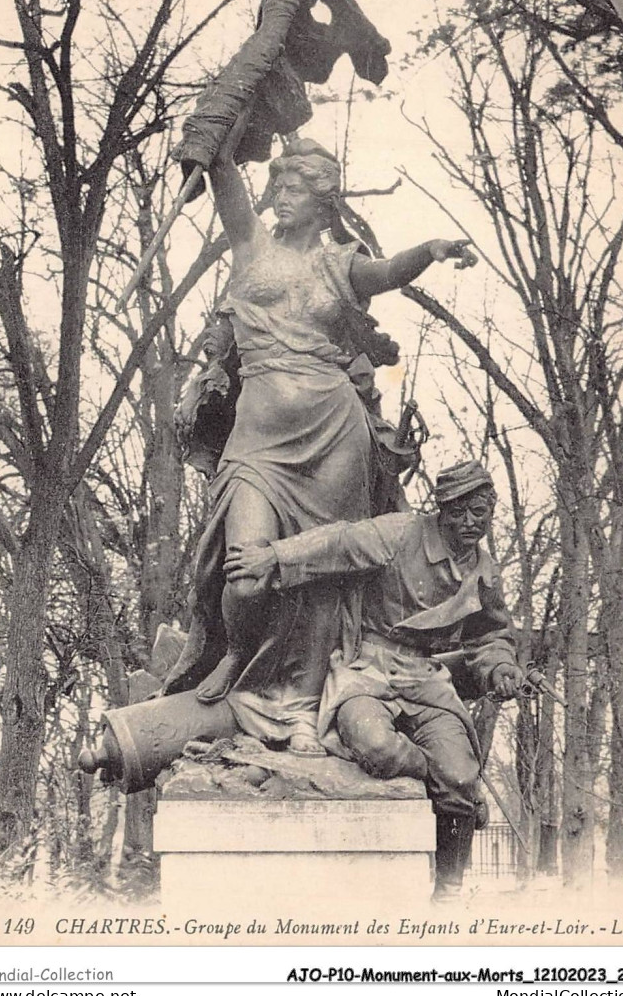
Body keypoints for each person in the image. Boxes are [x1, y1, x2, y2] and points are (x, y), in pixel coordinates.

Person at [164, 119, 477, 757]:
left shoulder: (342, 264)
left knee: (321, 582)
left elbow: (390, 271)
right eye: (276, 183)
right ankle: (243, 661)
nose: (280, 194)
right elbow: (223, 168)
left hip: (334, 434)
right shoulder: (250, 242)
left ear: (322, 198)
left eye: (296, 187)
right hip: (257, 440)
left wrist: (434, 247)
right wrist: (217, 123)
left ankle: (302, 709)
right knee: (244, 573)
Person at [224, 460, 523, 901]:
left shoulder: (484, 573)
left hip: (426, 681)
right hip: (367, 669)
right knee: (377, 746)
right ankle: (447, 787)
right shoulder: (402, 533)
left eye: (480, 512)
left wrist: (500, 668)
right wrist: (274, 555)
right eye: (459, 511)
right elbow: (339, 542)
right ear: (441, 509)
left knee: (461, 773)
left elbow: (493, 635)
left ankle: (449, 893)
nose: (469, 523)